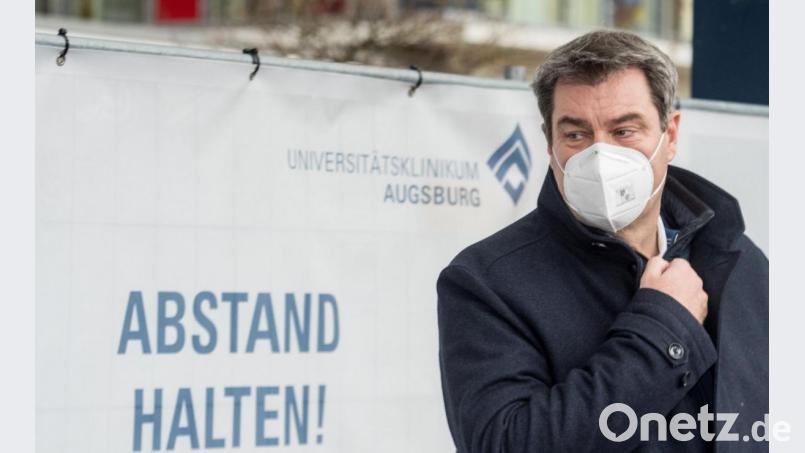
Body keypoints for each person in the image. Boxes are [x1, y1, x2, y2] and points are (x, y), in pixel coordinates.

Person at [436, 30, 768, 452]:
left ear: (670, 135)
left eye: (624, 131)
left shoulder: (737, 261)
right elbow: (506, 444)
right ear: (549, 144)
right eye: (576, 135)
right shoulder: (488, 283)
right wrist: (664, 326)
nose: (600, 157)